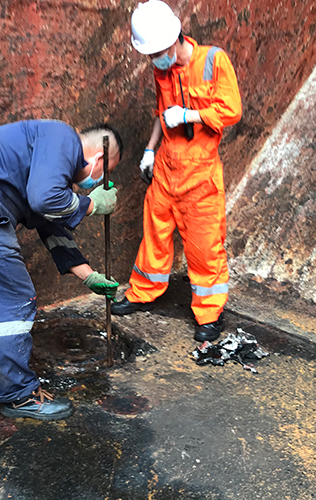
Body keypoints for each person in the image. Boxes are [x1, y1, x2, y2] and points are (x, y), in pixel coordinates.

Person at [0, 120, 123, 421]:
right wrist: (89, 205)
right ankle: (19, 396)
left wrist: (88, 276)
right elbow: (45, 199)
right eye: (104, 174)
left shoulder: (46, 157)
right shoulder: (63, 138)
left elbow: (50, 222)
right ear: (99, 159)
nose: (97, 183)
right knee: (10, 298)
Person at [111, 0, 242, 343]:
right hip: (167, 166)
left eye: (157, 52)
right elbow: (161, 112)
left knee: (203, 245)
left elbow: (232, 109)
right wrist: (150, 151)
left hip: (200, 173)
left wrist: (190, 115)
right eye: (150, 54)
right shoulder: (162, 70)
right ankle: (143, 291)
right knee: (154, 232)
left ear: (173, 40)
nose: (154, 60)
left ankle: (210, 312)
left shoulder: (213, 60)